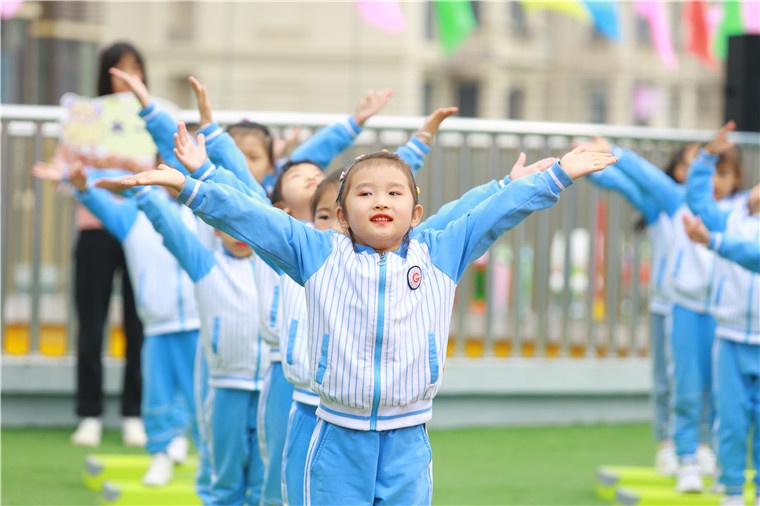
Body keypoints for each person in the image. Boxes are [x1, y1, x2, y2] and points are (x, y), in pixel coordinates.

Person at [115, 126, 614, 503]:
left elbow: (493, 213)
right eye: (365, 192)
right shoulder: (317, 253)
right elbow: (252, 216)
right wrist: (189, 186)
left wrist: (556, 175)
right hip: (335, 436)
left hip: (408, 439)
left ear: (415, 213)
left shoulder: (439, 252)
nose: (380, 201)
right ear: (343, 212)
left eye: (394, 193)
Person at [608, 122, 745, 493]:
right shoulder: (680, 201)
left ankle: (713, 457)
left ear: (738, 178)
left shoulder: (736, 213)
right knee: (683, 385)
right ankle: (683, 455)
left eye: (724, 173)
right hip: (683, 307)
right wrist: (611, 151)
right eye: (708, 171)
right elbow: (646, 179)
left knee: (721, 393)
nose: (716, 180)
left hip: (721, 314)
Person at [31, 41, 148, 448]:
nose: (127, 76)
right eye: (119, 68)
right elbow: (63, 172)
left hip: (139, 229)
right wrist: (75, 174)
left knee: (139, 324)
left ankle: (135, 413)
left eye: (135, 68)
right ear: (105, 73)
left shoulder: (153, 119)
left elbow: (170, 174)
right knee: (92, 322)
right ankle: (90, 414)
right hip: (94, 227)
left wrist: (138, 168)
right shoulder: (83, 119)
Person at [65, 160, 201, 489]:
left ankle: (185, 443)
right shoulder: (134, 217)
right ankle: (159, 455)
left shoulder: (202, 215)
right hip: (156, 326)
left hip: (199, 322)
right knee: (157, 393)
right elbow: (102, 206)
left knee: (197, 393)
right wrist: (84, 187)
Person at [578, 136, 701, 476]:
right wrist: (590, 163)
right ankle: (667, 444)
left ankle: (699, 445)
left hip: (705, 310)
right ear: (678, 171)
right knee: (666, 378)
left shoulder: (718, 210)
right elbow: (636, 182)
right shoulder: (665, 204)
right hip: (668, 305)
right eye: (695, 162)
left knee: (700, 378)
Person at [683, 121, 760, 506]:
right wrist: (707, 157)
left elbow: (753, 256)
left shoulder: (726, 231)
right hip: (730, 337)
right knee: (730, 422)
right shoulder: (731, 216)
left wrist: (712, 242)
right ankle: (731, 490)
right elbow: (698, 204)